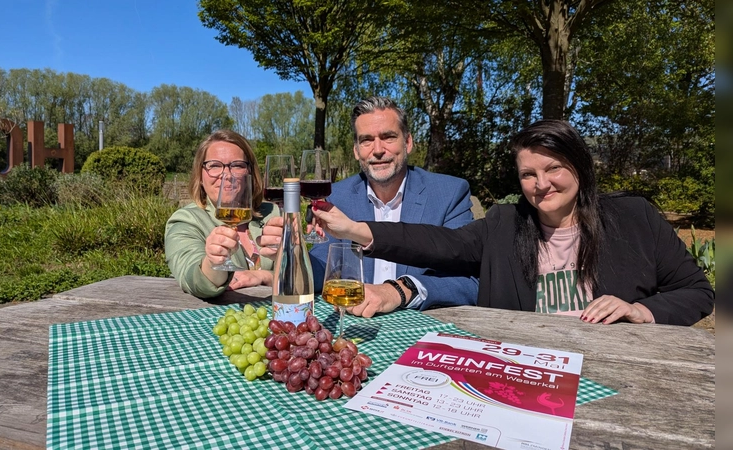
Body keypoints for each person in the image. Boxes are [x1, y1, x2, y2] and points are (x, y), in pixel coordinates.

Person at [310, 120, 714, 326]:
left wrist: (640, 310)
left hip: (612, 363)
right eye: (527, 174)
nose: (541, 184)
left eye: (553, 168)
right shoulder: (505, 223)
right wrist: (355, 230)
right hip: (524, 366)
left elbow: (698, 291)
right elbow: (439, 244)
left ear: (580, 165)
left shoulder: (634, 217)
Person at [263, 96, 479, 317]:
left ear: (408, 143)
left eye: (388, 137)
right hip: (352, 325)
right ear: (356, 151)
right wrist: (291, 252)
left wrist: (397, 292)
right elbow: (321, 269)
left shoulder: (448, 193)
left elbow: (470, 281)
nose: (377, 150)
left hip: (425, 327)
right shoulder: (336, 195)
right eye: (366, 140)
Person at [165, 130, 279, 298]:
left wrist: (264, 276)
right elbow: (193, 278)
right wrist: (212, 262)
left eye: (237, 165)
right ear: (200, 176)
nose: (226, 174)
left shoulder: (272, 213)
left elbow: (302, 273)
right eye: (214, 165)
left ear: (250, 173)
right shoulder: (186, 221)